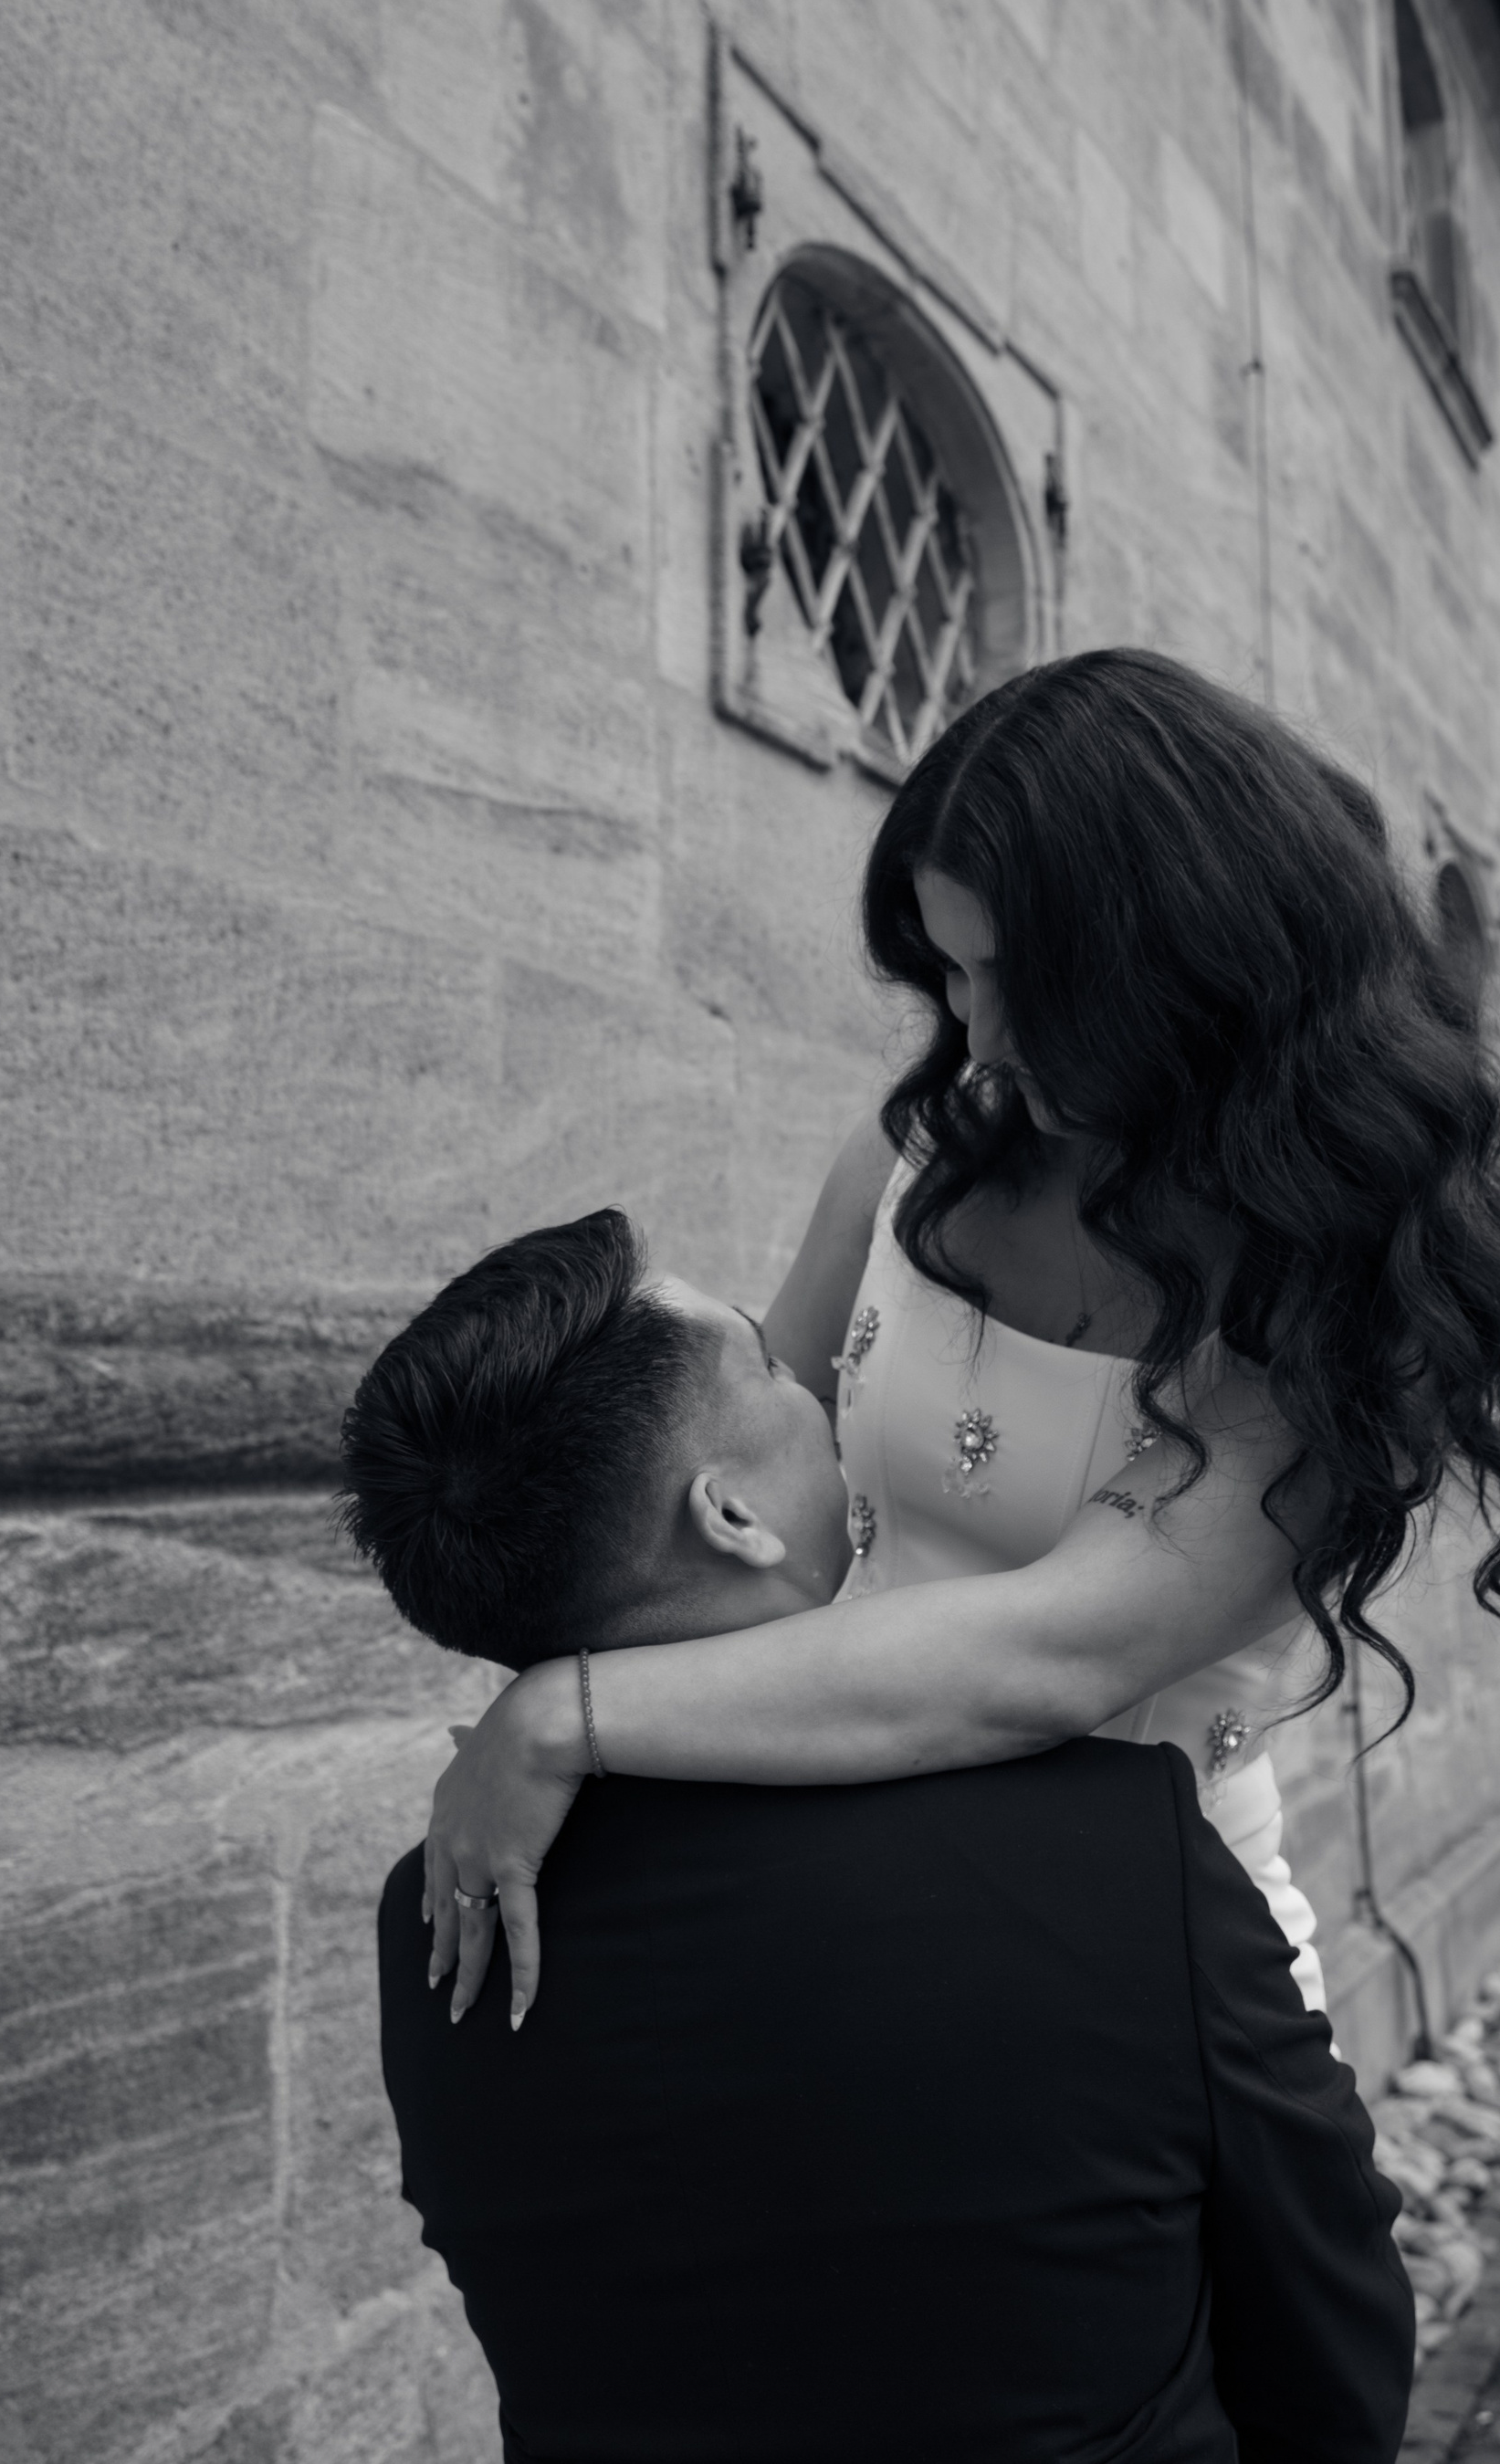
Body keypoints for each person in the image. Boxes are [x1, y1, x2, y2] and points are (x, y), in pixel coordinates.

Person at [419, 652, 1500, 2029]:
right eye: (951, 972)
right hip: (847, 1895)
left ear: (1187, 959)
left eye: (1019, 977)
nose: (978, 1035)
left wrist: (567, 1715)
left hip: (1150, 1974)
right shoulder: (919, 1158)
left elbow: (1062, 1656)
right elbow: (740, 1471)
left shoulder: (1353, 1264)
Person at [349, 1210, 1415, 2463]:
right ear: (730, 1515)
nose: (818, 1388)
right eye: (768, 1363)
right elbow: (1335, 2323)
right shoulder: (1117, 1853)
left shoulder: (439, 1919)